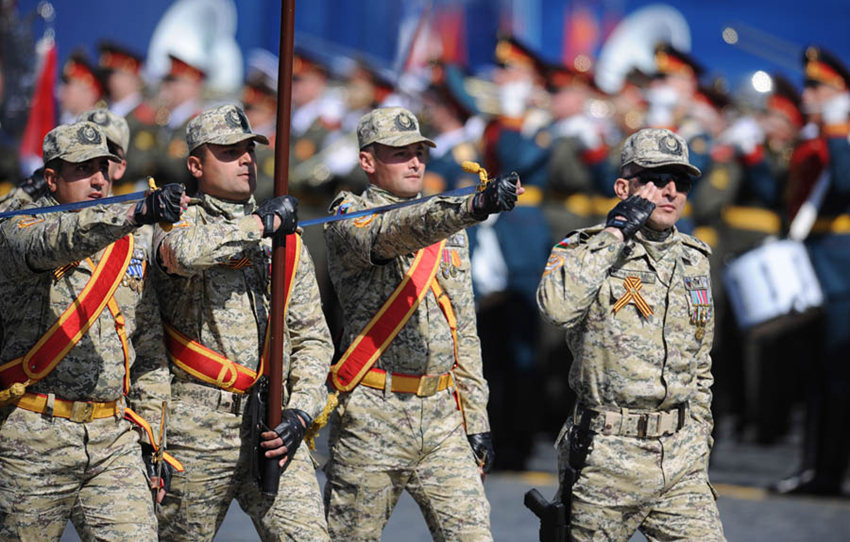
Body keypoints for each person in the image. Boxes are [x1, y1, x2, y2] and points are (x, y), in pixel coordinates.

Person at [322, 106, 519, 540]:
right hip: (373, 412)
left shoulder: (448, 221)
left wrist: (477, 419)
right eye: (399, 153)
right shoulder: (348, 214)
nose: (415, 162)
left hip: (442, 414)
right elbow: (393, 232)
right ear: (367, 162)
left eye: (419, 152)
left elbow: (463, 331)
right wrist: (472, 204)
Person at [152, 103, 334, 541]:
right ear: (196, 164)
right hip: (194, 430)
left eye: (249, 149)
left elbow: (312, 336)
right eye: (230, 151)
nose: (247, 159)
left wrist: (301, 411)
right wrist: (259, 224)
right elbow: (185, 254)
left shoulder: (283, 232)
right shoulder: (174, 217)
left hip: (272, 421)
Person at [0, 120, 187, 540]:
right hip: (34, 436)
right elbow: (57, 239)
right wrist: (137, 211)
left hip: (112, 439)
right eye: (84, 168)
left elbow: (149, 352)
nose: (99, 179)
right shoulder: (18, 226)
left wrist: (153, 442)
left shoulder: (130, 243)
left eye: (104, 166)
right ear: (52, 177)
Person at [537, 128, 725, 541]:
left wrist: (700, 437)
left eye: (681, 182)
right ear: (624, 187)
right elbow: (555, 308)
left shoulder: (694, 260)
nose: (670, 191)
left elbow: (701, 363)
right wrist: (615, 235)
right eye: (656, 179)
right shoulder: (584, 248)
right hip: (607, 457)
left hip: (680, 460)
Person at [772, 46, 850, 496]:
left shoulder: (838, 134)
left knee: (838, 373)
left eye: (819, 86)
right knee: (815, 375)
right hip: (812, 261)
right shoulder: (814, 135)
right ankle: (812, 468)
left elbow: (844, 183)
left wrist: (839, 127)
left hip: (841, 263)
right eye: (809, 85)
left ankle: (831, 471)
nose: (809, 93)